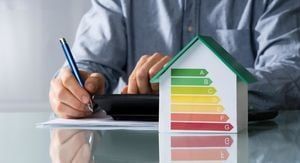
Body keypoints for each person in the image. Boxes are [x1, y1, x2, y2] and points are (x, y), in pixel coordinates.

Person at [49, 0, 300, 119]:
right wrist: (75, 84)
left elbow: (293, 74)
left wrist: (192, 83)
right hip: (139, 150)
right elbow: (90, 66)